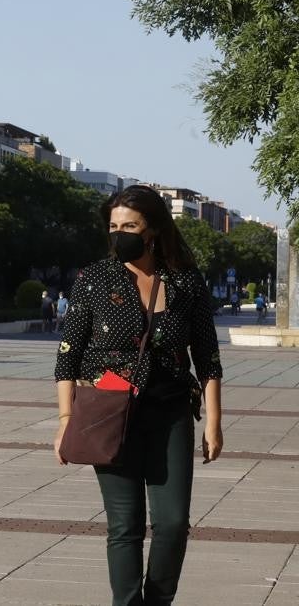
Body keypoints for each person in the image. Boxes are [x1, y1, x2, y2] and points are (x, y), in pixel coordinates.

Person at [54, 184, 223, 606]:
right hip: (109, 414)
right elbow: (67, 359)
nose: (119, 234)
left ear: (152, 230)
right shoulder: (94, 279)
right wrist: (63, 422)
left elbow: (208, 356)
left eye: (129, 225)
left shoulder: (185, 281)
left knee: (172, 524)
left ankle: (158, 600)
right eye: (113, 226)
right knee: (124, 526)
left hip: (169, 416)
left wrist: (215, 423)